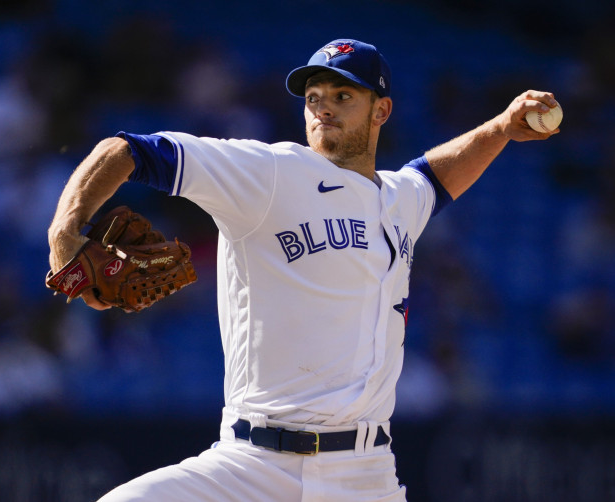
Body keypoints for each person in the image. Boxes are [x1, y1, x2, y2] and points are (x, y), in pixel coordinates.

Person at [48, 38, 559, 502]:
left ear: (381, 110)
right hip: (251, 467)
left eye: (344, 96)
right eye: (315, 96)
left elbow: (434, 177)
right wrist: (64, 230)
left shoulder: (401, 199)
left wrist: (502, 128)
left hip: (365, 475)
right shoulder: (271, 173)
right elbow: (129, 151)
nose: (324, 108)